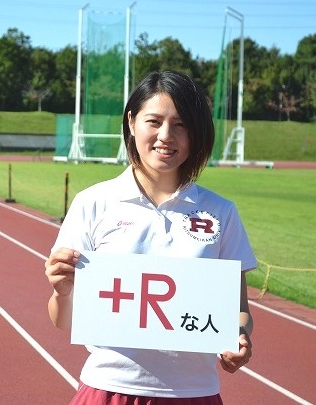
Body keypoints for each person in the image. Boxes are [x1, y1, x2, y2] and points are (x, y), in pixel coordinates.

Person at [44, 70, 255, 405]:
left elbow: (239, 310)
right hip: (109, 388)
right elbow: (63, 321)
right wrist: (63, 290)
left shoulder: (222, 213)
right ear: (131, 122)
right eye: (154, 121)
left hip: (194, 392)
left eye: (181, 124)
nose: (166, 136)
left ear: (197, 132)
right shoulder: (93, 203)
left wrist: (239, 337)